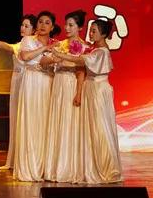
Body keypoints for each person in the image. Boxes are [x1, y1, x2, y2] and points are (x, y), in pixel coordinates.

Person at [47, 17, 124, 184]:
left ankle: (106, 166)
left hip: (97, 90)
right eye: (91, 30)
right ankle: (91, 164)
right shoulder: (95, 50)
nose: (91, 33)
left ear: (103, 34)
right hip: (91, 89)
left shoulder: (101, 52)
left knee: (99, 128)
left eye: (94, 31)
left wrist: (59, 54)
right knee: (90, 129)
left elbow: (80, 60)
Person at [0, 14, 36, 170]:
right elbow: (7, 46)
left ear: (34, 29)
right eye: (22, 25)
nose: (23, 28)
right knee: (16, 118)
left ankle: (29, 159)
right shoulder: (20, 44)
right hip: (17, 81)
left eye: (27, 26)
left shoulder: (34, 45)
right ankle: (15, 159)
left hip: (30, 83)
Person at [10, 11, 59, 182]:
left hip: (48, 83)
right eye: (40, 22)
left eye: (47, 23)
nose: (43, 25)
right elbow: (25, 56)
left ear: (52, 27)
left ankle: (46, 167)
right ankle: (30, 167)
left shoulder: (56, 44)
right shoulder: (28, 40)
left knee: (46, 123)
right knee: (31, 123)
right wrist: (45, 49)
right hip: (31, 83)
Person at [41, 10, 87, 183]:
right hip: (58, 84)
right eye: (66, 24)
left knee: (69, 122)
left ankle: (68, 167)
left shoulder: (84, 47)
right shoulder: (60, 44)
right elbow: (42, 62)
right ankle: (55, 168)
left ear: (79, 27)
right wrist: (55, 59)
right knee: (57, 122)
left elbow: (81, 72)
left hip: (70, 85)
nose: (67, 28)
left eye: (71, 25)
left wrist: (79, 93)